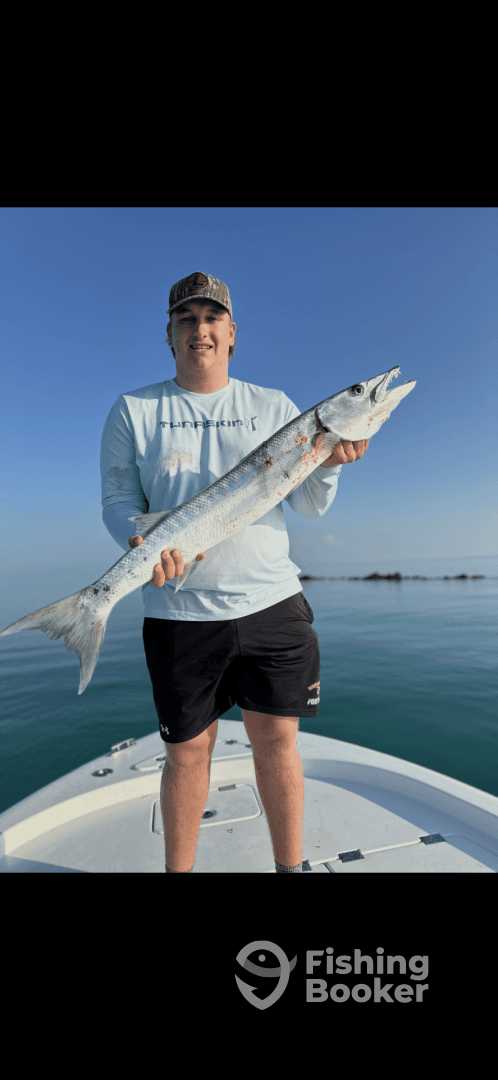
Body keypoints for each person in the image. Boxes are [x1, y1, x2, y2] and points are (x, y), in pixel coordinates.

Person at [100, 272, 369, 873]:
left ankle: (288, 870)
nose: (201, 329)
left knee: (277, 745)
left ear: (232, 332)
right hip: (178, 612)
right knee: (186, 755)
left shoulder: (272, 406)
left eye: (212, 317)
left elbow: (309, 504)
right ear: (169, 334)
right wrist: (141, 542)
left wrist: (331, 462)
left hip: (273, 602)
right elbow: (117, 503)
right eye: (187, 319)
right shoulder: (134, 409)